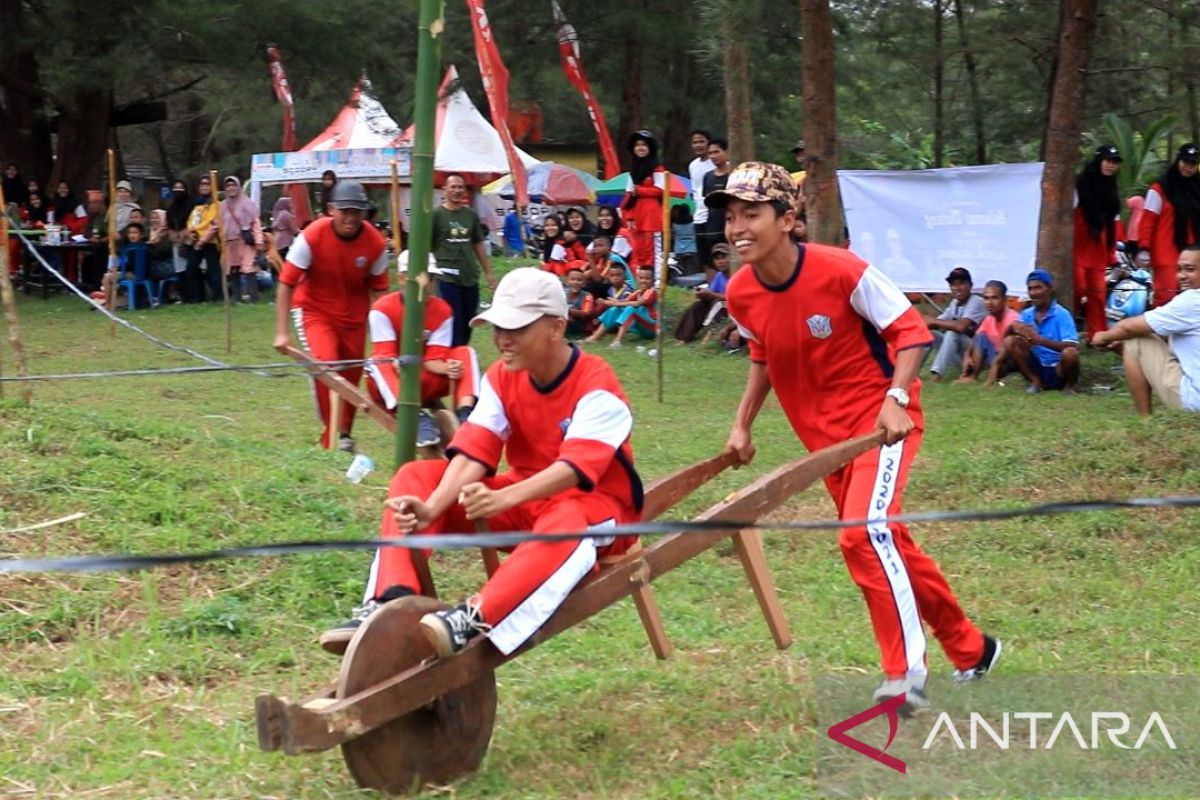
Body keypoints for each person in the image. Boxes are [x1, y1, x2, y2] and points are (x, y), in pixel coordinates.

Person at [711, 162, 1000, 711]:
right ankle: (971, 648)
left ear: (788, 219)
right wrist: (742, 423)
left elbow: (910, 332)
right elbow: (763, 354)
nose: (737, 228)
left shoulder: (843, 270)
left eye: (751, 214)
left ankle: (905, 676)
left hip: (879, 425)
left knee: (863, 535)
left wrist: (895, 400)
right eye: (730, 217)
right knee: (889, 540)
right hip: (823, 443)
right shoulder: (742, 291)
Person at [319, 268, 644, 658]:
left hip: (598, 512)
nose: (502, 339)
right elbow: (475, 448)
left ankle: (473, 618)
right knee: (416, 475)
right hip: (528, 504)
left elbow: (573, 470)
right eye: (496, 327)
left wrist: (505, 500)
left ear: (556, 328)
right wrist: (433, 506)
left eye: (516, 328)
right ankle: (390, 601)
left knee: (567, 520)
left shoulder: (597, 385)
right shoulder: (501, 377)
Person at [274, 180, 390, 451]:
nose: (351, 217)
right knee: (327, 365)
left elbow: (379, 292)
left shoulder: (375, 243)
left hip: (355, 317)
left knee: (351, 375)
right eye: (345, 210)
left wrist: (386, 336)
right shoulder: (312, 236)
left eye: (357, 211)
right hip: (315, 311)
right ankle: (331, 433)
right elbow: (286, 283)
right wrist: (282, 331)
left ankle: (345, 433)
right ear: (331, 210)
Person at [365, 252, 481, 446]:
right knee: (378, 362)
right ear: (402, 278)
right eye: (422, 277)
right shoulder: (381, 309)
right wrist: (399, 366)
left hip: (424, 377)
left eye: (432, 278)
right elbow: (385, 354)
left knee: (465, 353)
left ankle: (466, 414)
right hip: (395, 378)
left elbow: (434, 358)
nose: (428, 283)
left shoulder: (443, 310)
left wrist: (449, 368)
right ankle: (410, 416)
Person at [1091, 245, 1200, 415]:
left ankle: (1145, 421)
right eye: (1179, 269)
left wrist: (1103, 336)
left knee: (1135, 339)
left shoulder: (1192, 299)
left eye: (1190, 269)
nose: (1182, 276)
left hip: (1194, 403)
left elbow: (1129, 328)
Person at [432, 174, 496, 346]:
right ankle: (452, 359)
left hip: (469, 275)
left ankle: (461, 353)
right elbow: (427, 248)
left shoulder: (470, 216)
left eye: (460, 187)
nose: (457, 190)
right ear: (444, 189)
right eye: (453, 187)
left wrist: (488, 273)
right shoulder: (436, 215)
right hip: (446, 275)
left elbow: (478, 244)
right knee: (454, 319)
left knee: (468, 319)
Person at [1138, 143, 1200, 307]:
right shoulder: (1159, 188)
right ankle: (1159, 333)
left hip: (1192, 253)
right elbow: (1148, 221)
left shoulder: (1196, 189)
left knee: (1192, 300)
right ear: (1178, 160)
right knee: (1166, 298)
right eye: (1185, 162)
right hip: (1165, 253)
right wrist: (1144, 248)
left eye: (1192, 164)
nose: (1188, 167)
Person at [1073, 144, 1123, 336]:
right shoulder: (1080, 184)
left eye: (1114, 162)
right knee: (1078, 289)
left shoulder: (1111, 188)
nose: (1111, 166)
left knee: (1098, 293)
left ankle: (1097, 335)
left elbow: (1114, 221)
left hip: (1098, 249)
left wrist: (1113, 251)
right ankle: (1066, 328)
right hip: (1077, 247)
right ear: (1098, 161)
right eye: (1108, 161)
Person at [1004, 269, 1081, 393]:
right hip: (1037, 365)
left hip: (1058, 367)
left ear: (1050, 289)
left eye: (1038, 288)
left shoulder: (1062, 314)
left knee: (1070, 353)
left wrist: (1039, 340)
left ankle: (1069, 387)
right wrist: (1013, 326)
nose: (1033, 293)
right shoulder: (1026, 314)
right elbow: (1006, 339)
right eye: (1030, 289)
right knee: (1010, 341)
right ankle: (1035, 382)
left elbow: (1073, 345)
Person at [923, 267, 986, 382]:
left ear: (970, 285)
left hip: (977, 357)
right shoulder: (955, 303)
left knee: (953, 333)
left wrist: (932, 321)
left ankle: (937, 376)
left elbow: (961, 326)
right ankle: (912, 372)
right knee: (929, 334)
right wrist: (924, 321)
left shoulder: (977, 301)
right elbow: (936, 323)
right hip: (962, 355)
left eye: (961, 283)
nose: (957, 288)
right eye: (953, 284)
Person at [955, 280, 1018, 385]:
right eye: (986, 298)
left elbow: (1011, 350)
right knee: (981, 337)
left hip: (1008, 362)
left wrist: (993, 370)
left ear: (1004, 300)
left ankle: (974, 376)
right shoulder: (989, 318)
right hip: (995, 357)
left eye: (994, 298)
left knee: (984, 339)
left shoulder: (1013, 318)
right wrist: (967, 355)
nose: (989, 302)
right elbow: (976, 338)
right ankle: (972, 376)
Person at [621, 130, 668, 269]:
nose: (640, 148)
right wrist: (628, 217)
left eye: (644, 145)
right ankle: (642, 283)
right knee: (639, 251)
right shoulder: (632, 170)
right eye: (637, 145)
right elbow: (629, 195)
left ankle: (657, 284)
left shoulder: (657, 168)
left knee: (653, 251)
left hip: (652, 217)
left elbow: (661, 191)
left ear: (650, 148)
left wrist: (641, 191)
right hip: (637, 218)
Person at [586, 265, 657, 347]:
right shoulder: (638, 292)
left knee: (630, 309)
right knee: (615, 309)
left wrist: (616, 303)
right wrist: (606, 302)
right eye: (641, 278)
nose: (643, 281)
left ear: (653, 280)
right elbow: (624, 301)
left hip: (652, 328)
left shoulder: (652, 291)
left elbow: (637, 303)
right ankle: (595, 337)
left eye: (647, 278)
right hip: (641, 328)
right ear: (637, 279)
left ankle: (617, 341)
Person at [674, 243, 731, 343]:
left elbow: (734, 298)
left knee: (717, 304)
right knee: (698, 305)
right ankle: (683, 338)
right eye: (717, 259)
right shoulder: (719, 276)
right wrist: (703, 293)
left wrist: (712, 295)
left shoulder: (736, 274)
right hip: (718, 304)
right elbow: (712, 292)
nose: (720, 262)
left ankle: (709, 335)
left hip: (731, 308)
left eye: (723, 257)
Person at [220, 176, 264, 303]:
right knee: (233, 270)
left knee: (248, 268)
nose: (231, 188)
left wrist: (259, 241)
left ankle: (253, 299)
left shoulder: (247, 203)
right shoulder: (223, 206)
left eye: (233, 185)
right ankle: (237, 298)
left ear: (238, 186)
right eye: (228, 186)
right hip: (230, 242)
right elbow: (217, 224)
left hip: (245, 241)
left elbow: (256, 223)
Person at [184, 176, 221, 303]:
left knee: (214, 270)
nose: (204, 186)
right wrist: (190, 232)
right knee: (191, 268)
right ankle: (196, 297)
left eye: (207, 184)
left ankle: (218, 297)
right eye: (202, 184)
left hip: (210, 241)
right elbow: (191, 221)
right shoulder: (197, 204)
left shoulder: (216, 204)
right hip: (196, 240)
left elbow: (211, 223)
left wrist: (201, 239)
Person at [697, 138, 732, 270]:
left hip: (730, 223)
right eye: (710, 153)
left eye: (716, 152)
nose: (713, 156)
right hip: (712, 224)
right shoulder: (708, 176)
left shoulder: (733, 174)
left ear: (726, 152)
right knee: (714, 260)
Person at [688, 129, 715, 264]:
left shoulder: (715, 163)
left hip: (714, 213)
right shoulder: (693, 165)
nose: (698, 145)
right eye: (695, 142)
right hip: (699, 214)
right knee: (704, 258)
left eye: (701, 142)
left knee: (717, 253)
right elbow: (695, 190)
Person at [563, 265, 597, 338]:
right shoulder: (561, 293)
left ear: (584, 284)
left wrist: (566, 309)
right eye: (572, 279)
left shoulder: (587, 296)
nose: (575, 282)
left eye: (579, 280)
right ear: (567, 281)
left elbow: (585, 313)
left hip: (579, 324)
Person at [671, 204, 698, 275]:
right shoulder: (693, 223)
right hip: (692, 249)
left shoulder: (674, 225)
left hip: (679, 250)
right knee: (693, 271)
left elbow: (672, 236)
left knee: (680, 270)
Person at [272, 196, 300, 261]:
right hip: (285, 243)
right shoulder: (286, 214)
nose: (291, 205)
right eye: (290, 203)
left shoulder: (277, 214)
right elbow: (294, 230)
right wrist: (304, 232)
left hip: (277, 243)